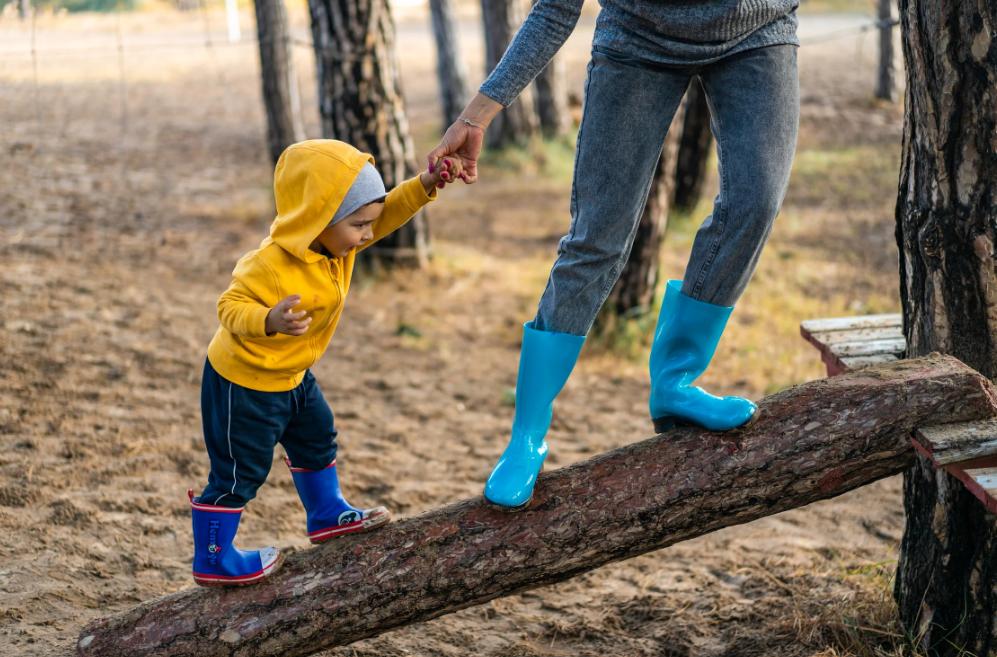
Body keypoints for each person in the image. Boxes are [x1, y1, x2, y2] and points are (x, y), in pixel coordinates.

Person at [428, 0, 800, 509]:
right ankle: (527, 437)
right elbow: (556, 9)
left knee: (754, 205)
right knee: (596, 240)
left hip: (759, 30)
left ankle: (676, 382)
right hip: (638, 39)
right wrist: (479, 114)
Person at [189, 139, 462, 586]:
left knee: (317, 437)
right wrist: (268, 319)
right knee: (241, 471)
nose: (368, 235)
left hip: (293, 375)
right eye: (359, 225)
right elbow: (228, 306)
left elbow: (386, 212)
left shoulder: (339, 243)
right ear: (318, 218)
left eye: (367, 224)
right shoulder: (270, 264)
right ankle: (214, 557)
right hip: (245, 383)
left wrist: (426, 183)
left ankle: (326, 513)